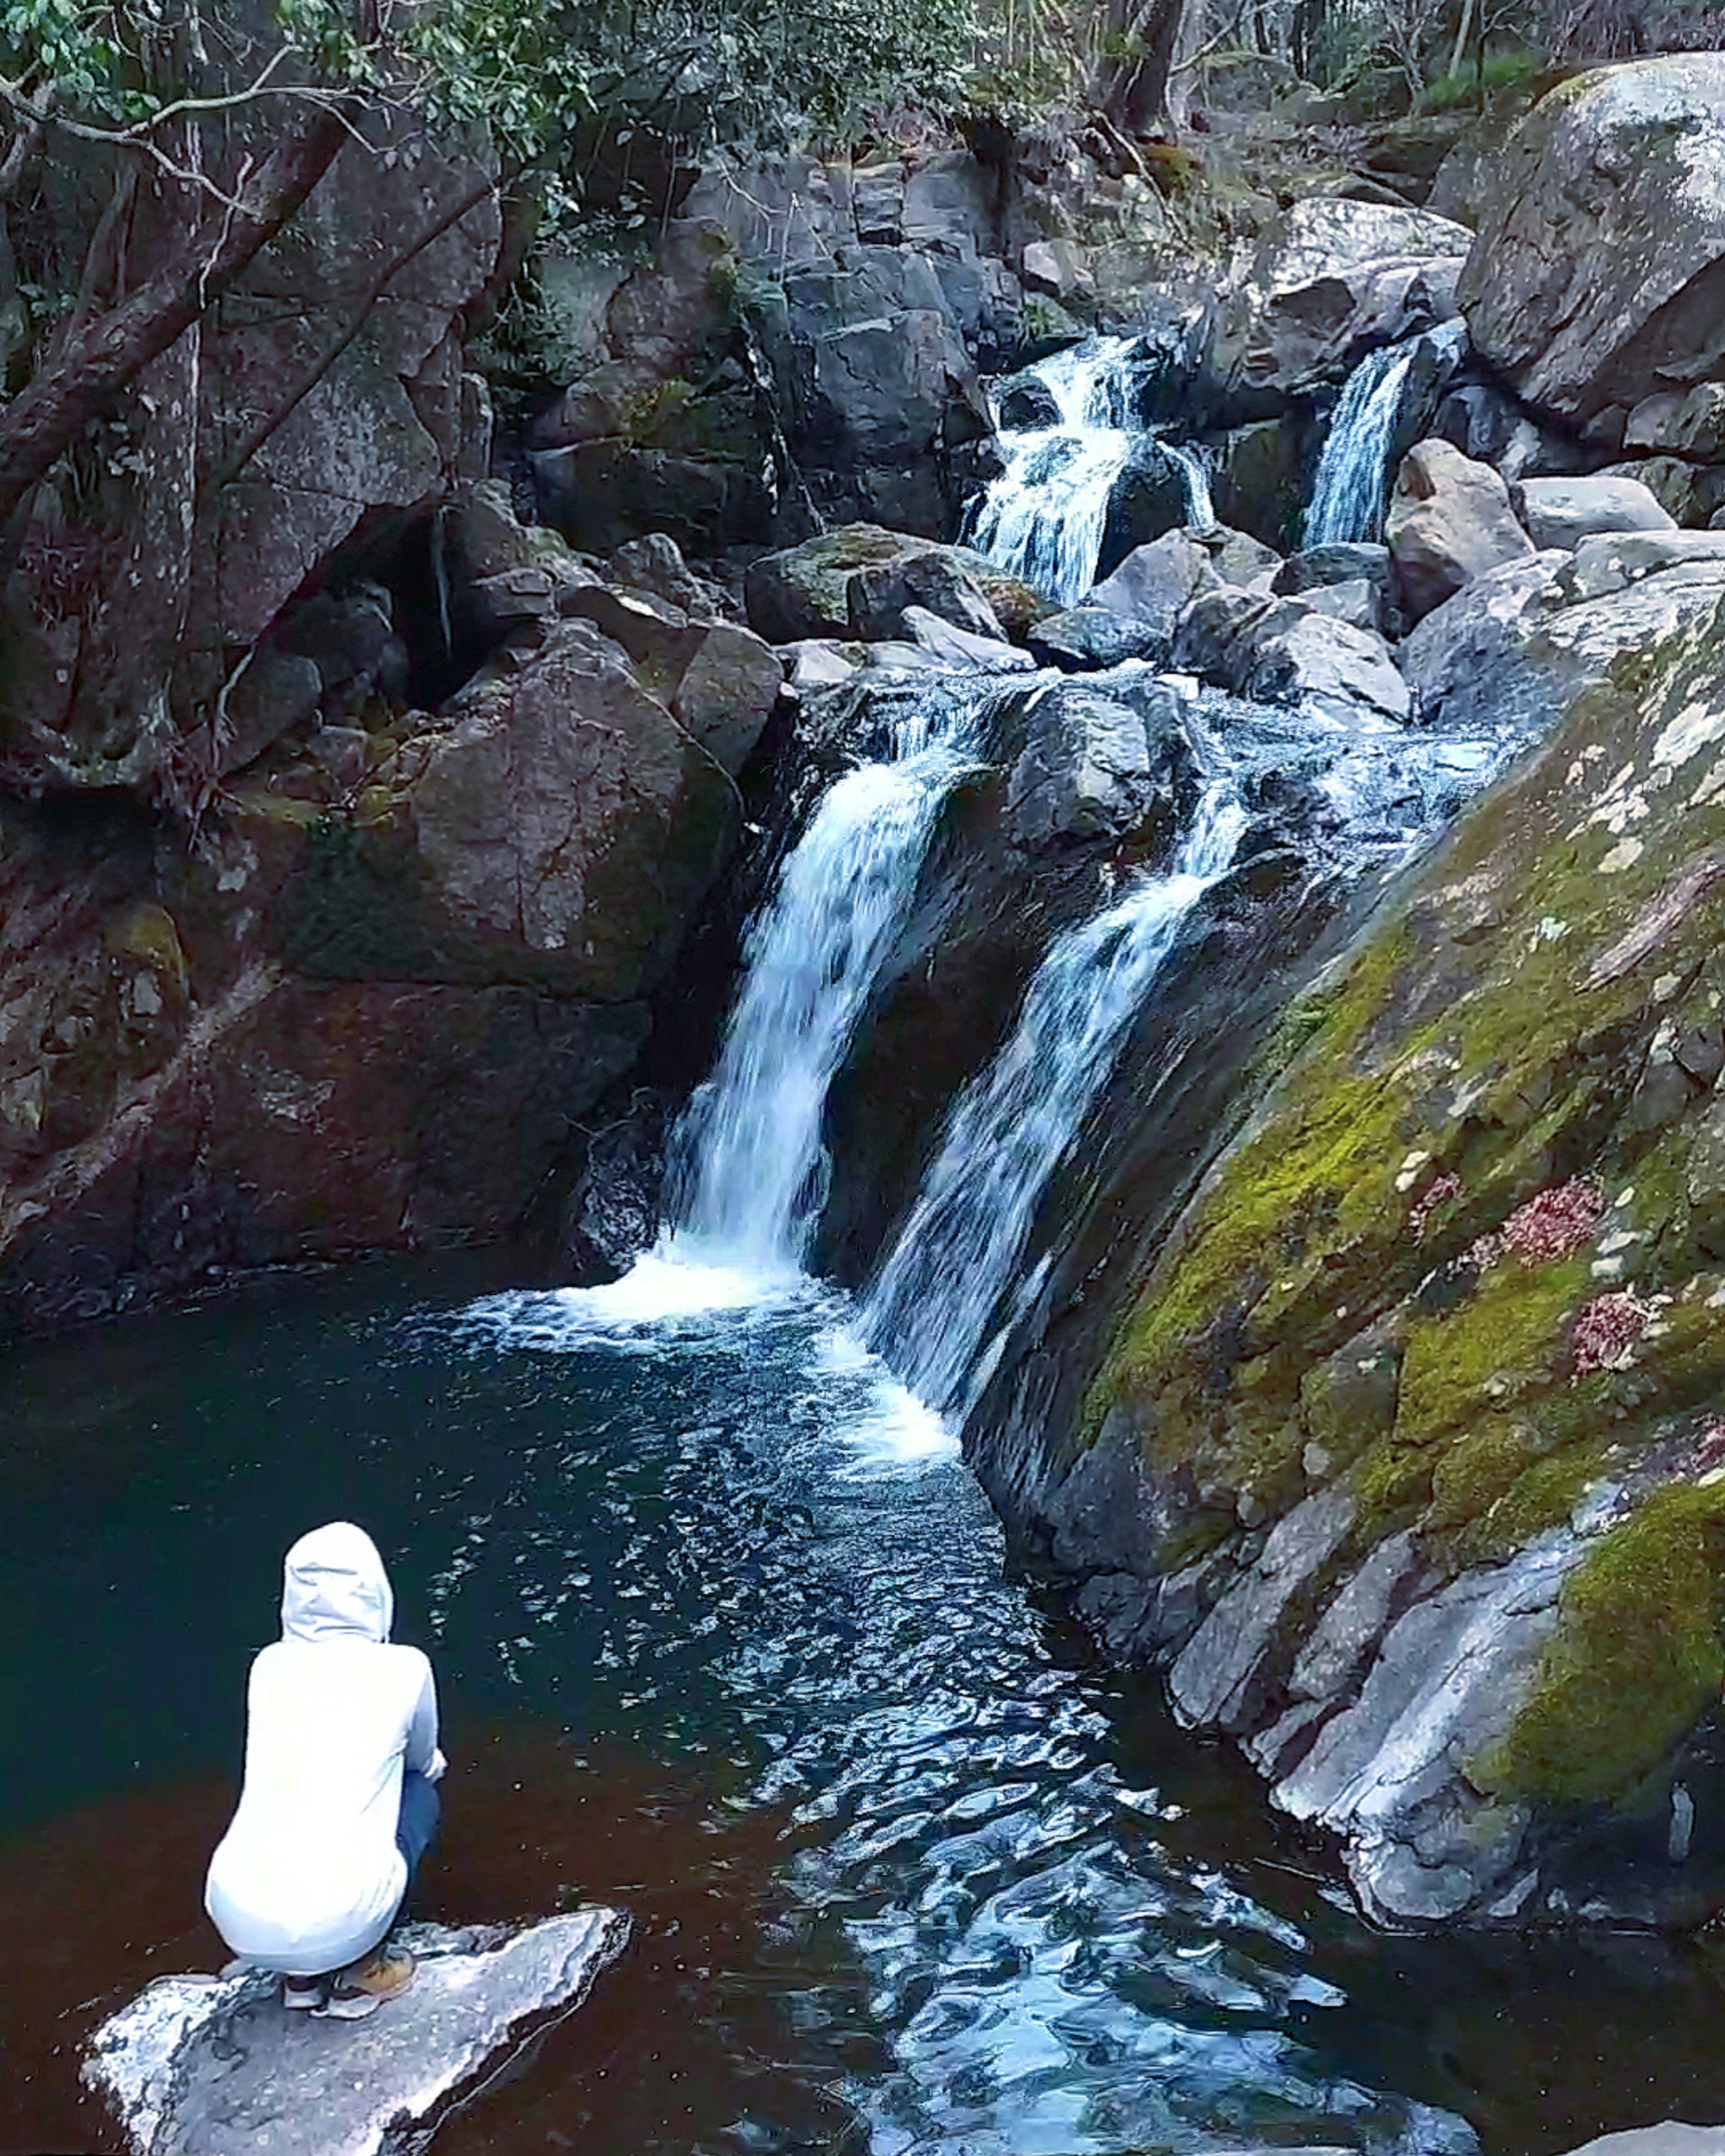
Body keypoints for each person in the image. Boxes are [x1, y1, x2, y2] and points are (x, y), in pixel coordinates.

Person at [204, 1520, 447, 2019]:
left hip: (234, 1916)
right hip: (339, 1920)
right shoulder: (404, 1666)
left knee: (294, 1791)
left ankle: (300, 1980)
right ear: (376, 1593)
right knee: (420, 1792)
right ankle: (360, 1972)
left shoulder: (269, 1666)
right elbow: (424, 1761)